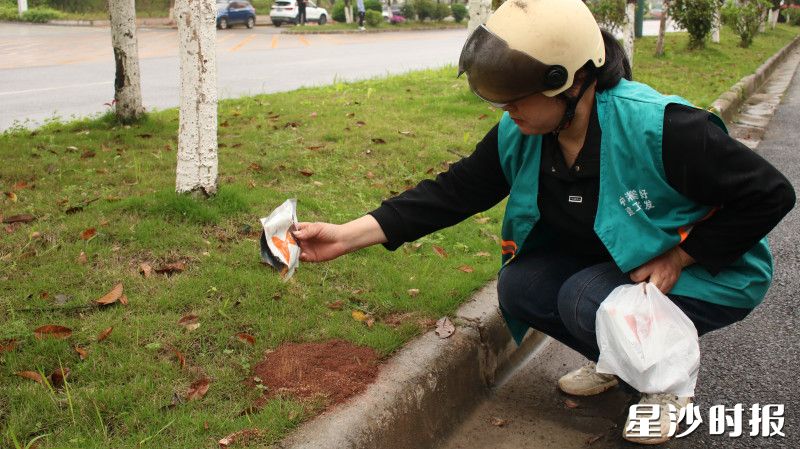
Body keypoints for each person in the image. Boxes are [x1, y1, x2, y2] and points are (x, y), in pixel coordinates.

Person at [290, 0, 795, 444]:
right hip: (621, 267)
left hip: (712, 272)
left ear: (571, 81)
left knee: (581, 296)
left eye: (516, 96)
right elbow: (452, 193)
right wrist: (344, 236)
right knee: (522, 286)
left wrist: (680, 254)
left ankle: (664, 387)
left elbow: (771, 194)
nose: (506, 110)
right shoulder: (525, 131)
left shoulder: (663, 128)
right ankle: (619, 363)